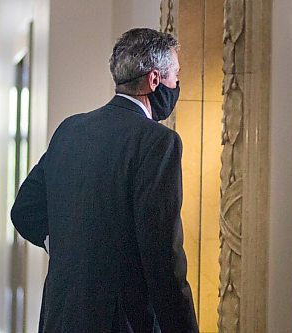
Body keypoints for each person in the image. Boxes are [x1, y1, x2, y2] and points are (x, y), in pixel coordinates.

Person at [11, 28, 198, 333]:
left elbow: (24, 211)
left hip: (61, 316)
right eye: (175, 75)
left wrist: (66, 245)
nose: (177, 84)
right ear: (154, 80)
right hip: (122, 321)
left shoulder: (70, 130)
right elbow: (163, 257)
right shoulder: (158, 142)